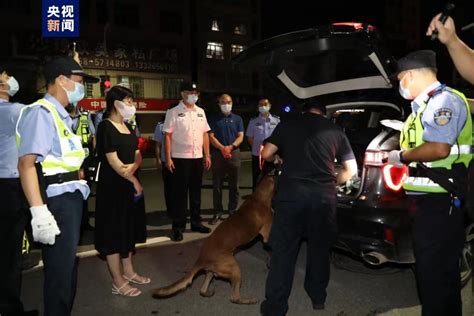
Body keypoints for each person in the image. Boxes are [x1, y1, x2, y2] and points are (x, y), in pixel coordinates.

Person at [387, 50, 471, 316]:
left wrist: (401, 156)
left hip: (440, 204)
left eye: (400, 79)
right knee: (440, 278)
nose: (400, 85)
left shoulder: (442, 101)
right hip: (427, 205)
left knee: (435, 280)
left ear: (410, 75)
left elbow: (438, 149)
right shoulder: (422, 108)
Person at [16, 56, 99, 316]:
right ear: (61, 80)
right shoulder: (42, 113)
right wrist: (39, 213)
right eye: (79, 81)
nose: (82, 87)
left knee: (65, 270)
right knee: (60, 274)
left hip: (69, 197)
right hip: (57, 201)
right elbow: (26, 164)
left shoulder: (63, 116)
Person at [259, 103, 357, 316]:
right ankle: (318, 297)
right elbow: (352, 170)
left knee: (283, 252)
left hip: (291, 197)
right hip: (323, 199)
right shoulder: (336, 131)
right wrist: (332, 181)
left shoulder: (288, 125)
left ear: (304, 110)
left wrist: (278, 158)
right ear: (324, 112)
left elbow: (266, 153)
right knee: (320, 250)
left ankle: (275, 307)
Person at [94, 85, 149, 297]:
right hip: (114, 188)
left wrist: (134, 168)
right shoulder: (105, 127)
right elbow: (114, 161)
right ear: (116, 103)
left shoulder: (128, 125)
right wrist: (133, 179)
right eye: (128, 101)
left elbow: (137, 154)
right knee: (113, 233)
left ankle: (129, 272)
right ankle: (118, 281)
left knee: (128, 230)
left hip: (129, 184)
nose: (131, 105)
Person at [0, 67, 37, 316]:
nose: (9, 78)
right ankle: (10, 308)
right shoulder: (15, 111)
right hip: (10, 185)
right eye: (4, 76)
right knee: (10, 251)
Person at [163, 81, 212, 242]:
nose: (194, 96)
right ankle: (178, 226)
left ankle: (196, 222)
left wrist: (207, 154)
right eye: (191, 93)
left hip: (197, 157)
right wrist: (168, 157)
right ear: (183, 94)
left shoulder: (201, 112)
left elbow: (205, 134)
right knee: (180, 194)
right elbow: (167, 135)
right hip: (180, 158)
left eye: (196, 93)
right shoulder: (173, 112)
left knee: (196, 192)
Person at [208, 94, 244, 224]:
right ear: (219, 104)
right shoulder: (213, 119)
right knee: (217, 185)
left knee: (234, 185)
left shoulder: (238, 119)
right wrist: (222, 148)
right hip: (218, 155)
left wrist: (231, 147)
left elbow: (241, 136)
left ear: (232, 103)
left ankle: (232, 211)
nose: (226, 104)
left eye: (228, 102)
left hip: (234, 153)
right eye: (223, 102)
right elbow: (210, 136)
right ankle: (218, 211)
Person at [68, 105, 95, 231]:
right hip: (68, 160)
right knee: (70, 191)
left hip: (85, 158)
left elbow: (93, 135)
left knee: (85, 190)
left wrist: (94, 156)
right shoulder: (60, 115)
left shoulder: (86, 115)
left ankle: (84, 221)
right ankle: (73, 222)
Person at [246, 98, 280, 191]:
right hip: (257, 155)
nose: (263, 107)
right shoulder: (253, 122)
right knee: (257, 180)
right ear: (258, 107)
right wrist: (260, 149)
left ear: (270, 106)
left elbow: (280, 138)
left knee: (272, 180)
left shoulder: (277, 121)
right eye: (260, 105)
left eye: (265, 104)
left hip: (272, 156)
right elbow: (250, 138)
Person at [153, 120, 172, 214]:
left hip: (180, 160)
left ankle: (180, 209)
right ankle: (170, 209)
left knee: (181, 187)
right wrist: (158, 159)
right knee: (169, 187)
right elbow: (157, 144)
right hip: (166, 161)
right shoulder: (161, 126)